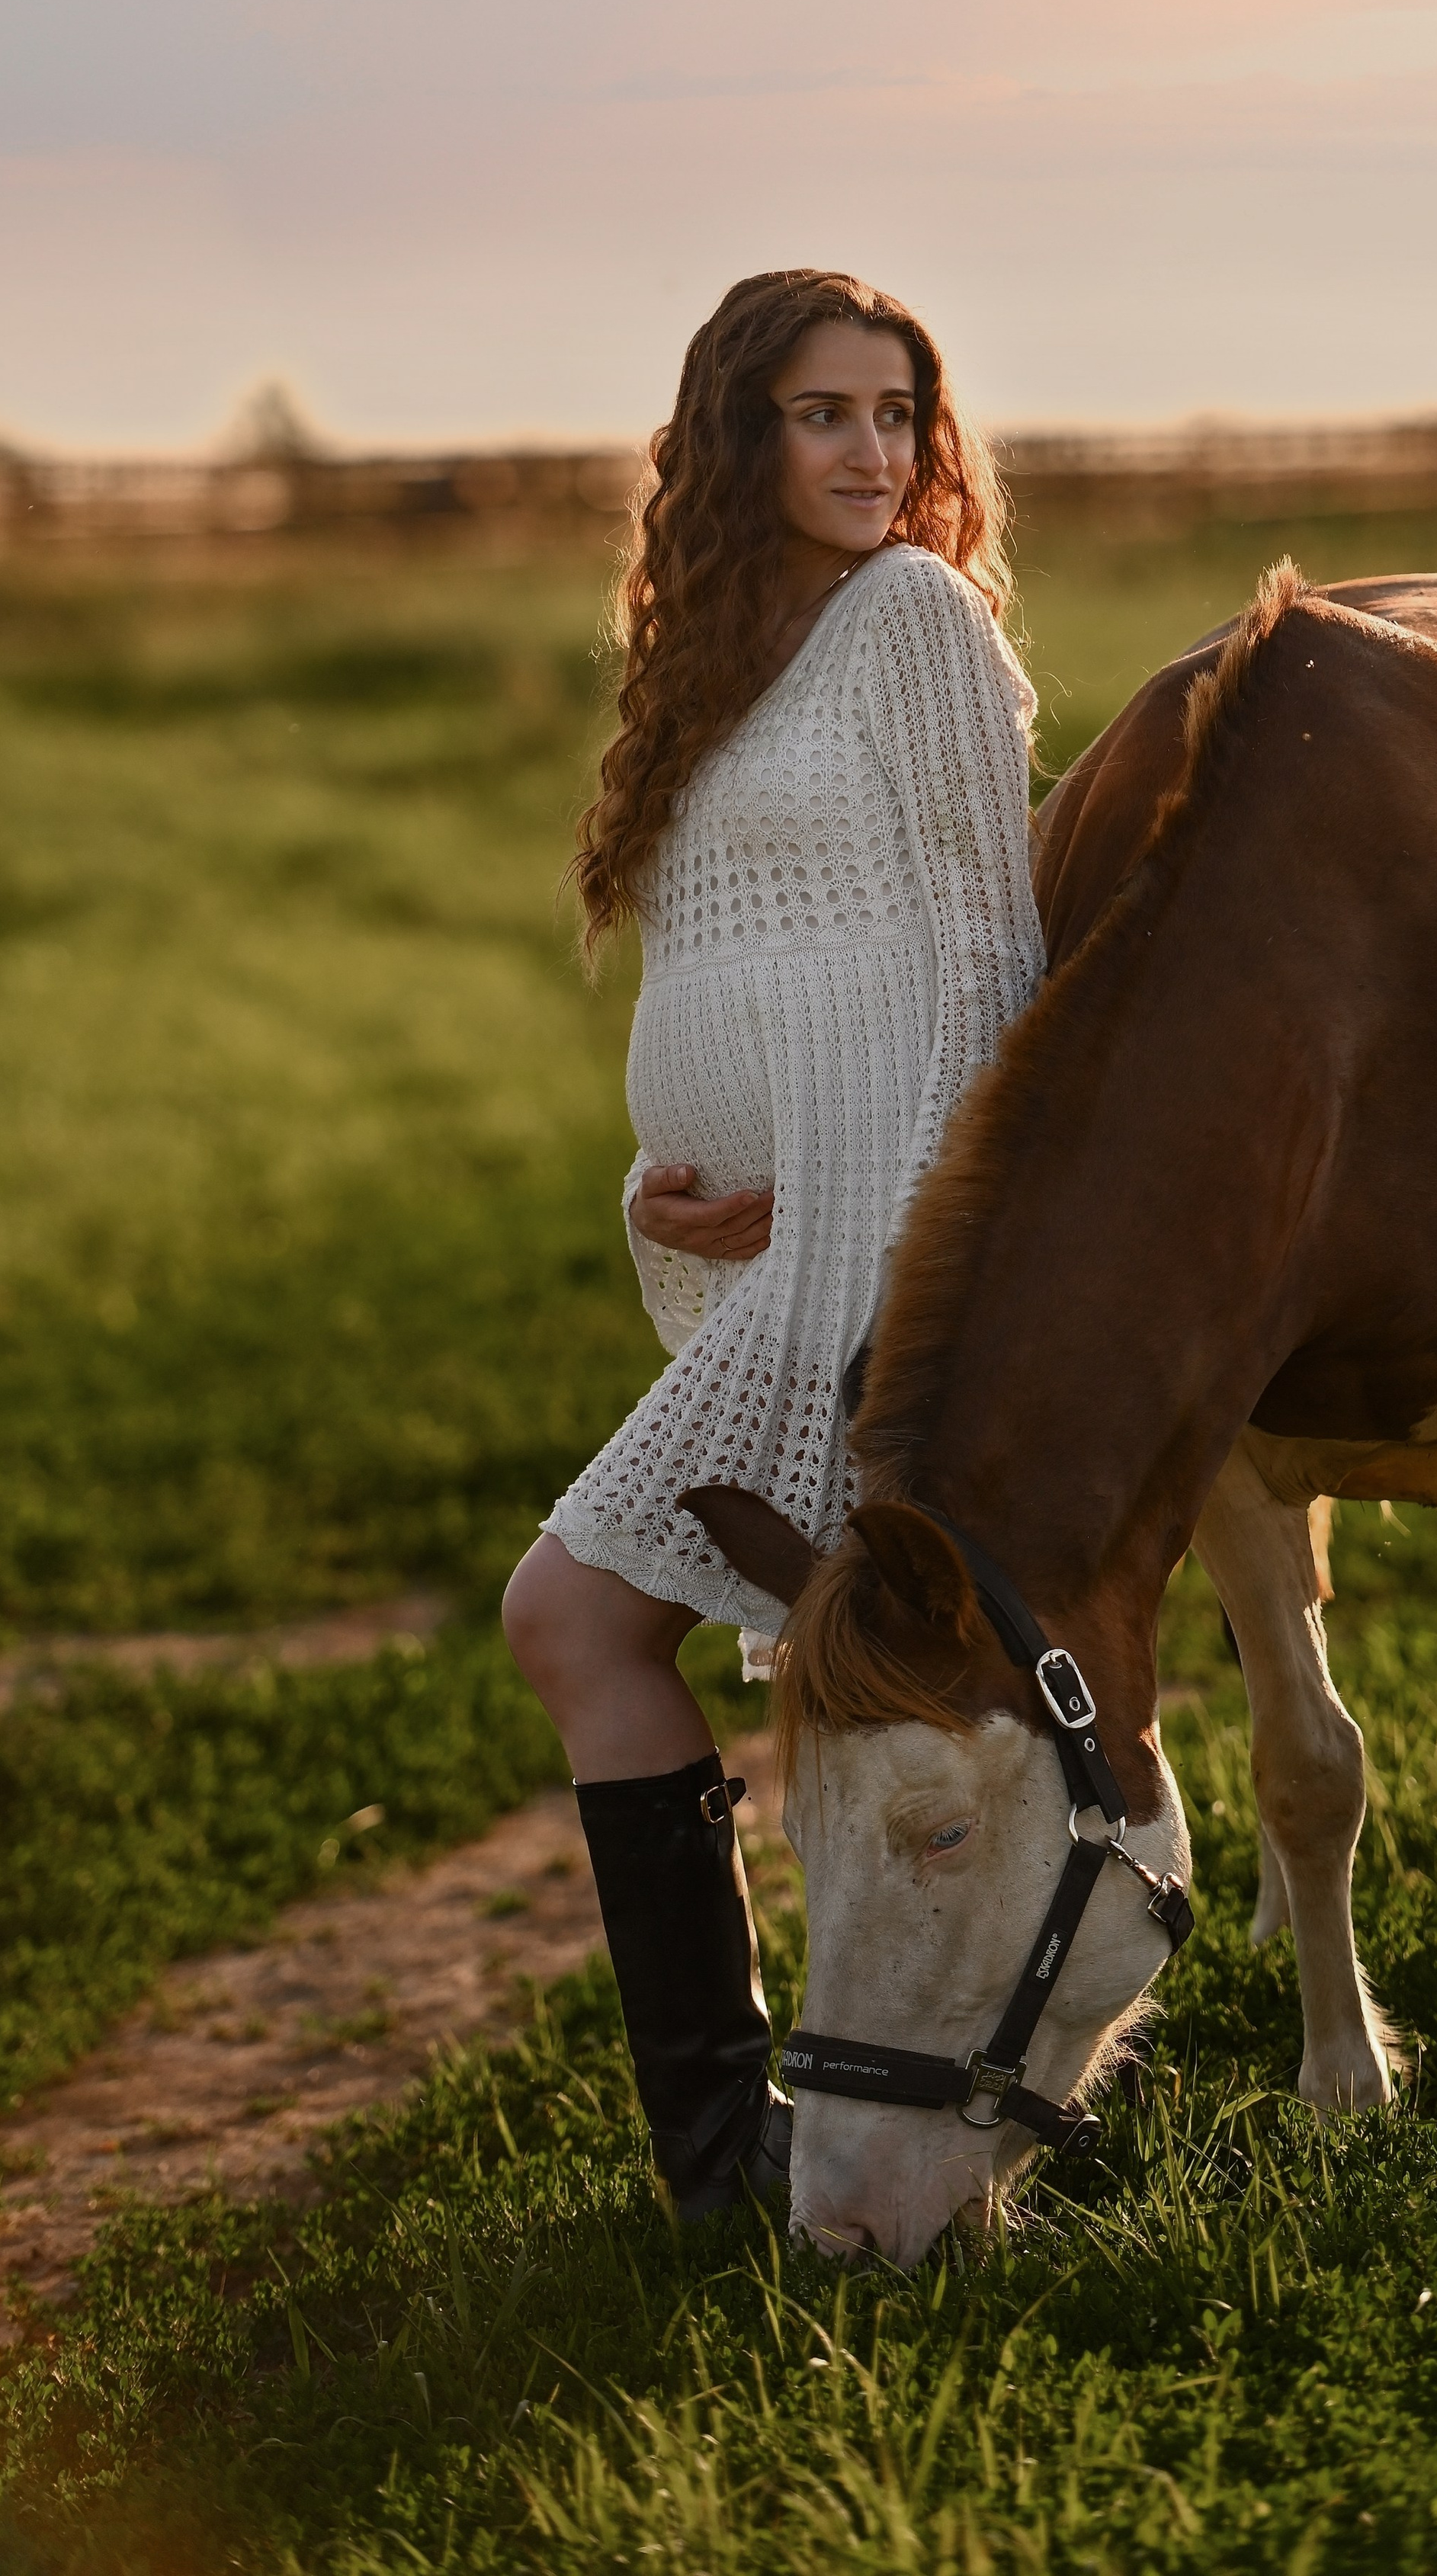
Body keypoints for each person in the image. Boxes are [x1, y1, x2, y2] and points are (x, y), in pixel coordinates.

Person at [501, 269, 1045, 2216]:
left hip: (869, 1256)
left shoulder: (913, 616)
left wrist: (903, 1244)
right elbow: (726, 969)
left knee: (572, 1618)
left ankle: (746, 2142)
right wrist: (656, 1187)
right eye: (825, 414)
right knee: (854, 1696)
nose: (874, 453)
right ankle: (773, 2138)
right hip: (778, 1246)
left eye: (898, 414)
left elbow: (987, 958)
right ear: (737, 437)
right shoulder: (723, 661)